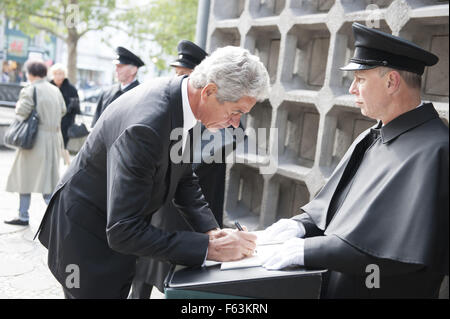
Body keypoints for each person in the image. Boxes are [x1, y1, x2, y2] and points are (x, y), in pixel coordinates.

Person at [35, 46, 269, 299]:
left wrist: (211, 230)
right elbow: (123, 231)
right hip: (86, 238)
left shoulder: (184, 99)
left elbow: (183, 176)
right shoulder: (147, 127)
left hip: (114, 230)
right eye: (236, 112)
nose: (235, 124)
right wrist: (210, 248)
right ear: (209, 91)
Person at [259, 23, 448, 298]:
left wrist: (307, 250)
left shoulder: (437, 150)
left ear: (391, 82)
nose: (351, 89)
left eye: (360, 79)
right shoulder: (372, 136)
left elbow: (397, 251)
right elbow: (339, 210)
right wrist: (301, 226)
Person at [130, 40, 236, 299]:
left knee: (179, 280)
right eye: (177, 76)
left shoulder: (220, 115)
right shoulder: (171, 109)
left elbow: (192, 166)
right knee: (145, 267)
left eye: (184, 77)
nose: (179, 84)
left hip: (188, 215)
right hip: (163, 209)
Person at [4, 60, 66, 226]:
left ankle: (23, 216)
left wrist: (19, 105)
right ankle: (59, 217)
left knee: (25, 178)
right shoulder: (55, 90)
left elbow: (22, 112)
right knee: (48, 180)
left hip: (34, 140)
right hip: (53, 139)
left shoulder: (31, 90)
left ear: (30, 74)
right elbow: (63, 110)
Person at [91, 46, 144, 127]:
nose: (116, 70)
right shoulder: (107, 93)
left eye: (120, 66)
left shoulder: (142, 95)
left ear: (133, 70)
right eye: (116, 66)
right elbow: (95, 123)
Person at [49, 63, 80, 150]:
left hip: (65, 124)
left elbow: (76, 109)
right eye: (56, 73)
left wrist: (71, 107)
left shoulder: (71, 89)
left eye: (60, 73)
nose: (58, 76)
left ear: (64, 75)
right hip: (49, 122)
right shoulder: (48, 87)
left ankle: (64, 163)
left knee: (62, 147)